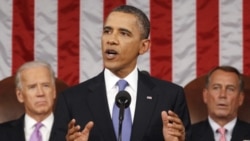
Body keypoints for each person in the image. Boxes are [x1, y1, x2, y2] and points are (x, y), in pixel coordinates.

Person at [51, 5, 191, 141]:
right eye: (107, 31)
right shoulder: (71, 100)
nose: (111, 40)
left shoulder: (170, 97)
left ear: (143, 46)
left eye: (124, 33)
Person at [0, 61, 57, 141]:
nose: (40, 93)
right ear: (20, 95)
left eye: (46, 86)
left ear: (54, 91)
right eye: (32, 87)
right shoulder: (2, 134)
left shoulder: (72, 133)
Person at [190, 66, 250, 141]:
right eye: (216, 88)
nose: (222, 95)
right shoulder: (187, 135)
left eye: (230, 89)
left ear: (240, 98)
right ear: (205, 95)